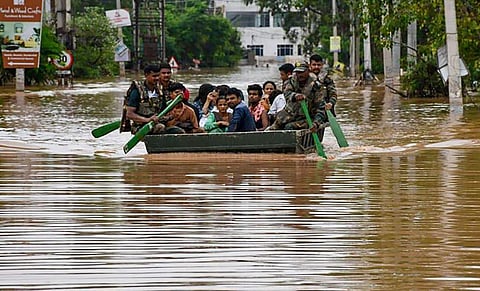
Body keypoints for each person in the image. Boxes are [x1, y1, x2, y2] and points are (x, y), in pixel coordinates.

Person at [267, 63, 325, 131]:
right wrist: (294, 95)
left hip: (308, 117)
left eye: (302, 72)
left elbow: (321, 108)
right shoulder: (291, 81)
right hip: (291, 113)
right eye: (298, 72)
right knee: (274, 126)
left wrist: (316, 123)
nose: (299, 75)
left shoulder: (316, 86)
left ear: (308, 71)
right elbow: (287, 93)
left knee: (289, 127)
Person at [123, 64, 165, 134]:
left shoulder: (160, 90)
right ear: (146, 75)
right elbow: (129, 114)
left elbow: (164, 108)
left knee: (177, 130)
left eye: (158, 76)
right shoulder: (137, 92)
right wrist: (147, 120)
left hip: (157, 122)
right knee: (160, 127)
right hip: (140, 126)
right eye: (154, 76)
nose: (157, 78)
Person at [308, 54, 338, 121]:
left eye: (318, 65)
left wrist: (330, 103)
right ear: (310, 65)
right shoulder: (304, 78)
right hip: (307, 111)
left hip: (322, 110)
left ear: (322, 65)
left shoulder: (327, 79)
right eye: (314, 65)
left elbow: (333, 94)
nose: (316, 67)